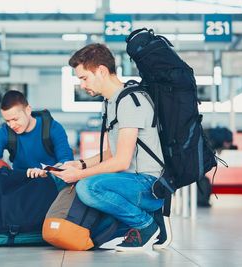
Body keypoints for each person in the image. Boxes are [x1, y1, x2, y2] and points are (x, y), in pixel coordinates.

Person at [51, 43, 166, 251]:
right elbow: (114, 152)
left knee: (88, 187)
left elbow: (121, 161)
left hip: (148, 184)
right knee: (70, 179)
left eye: (84, 78)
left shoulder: (130, 101)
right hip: (129, 181)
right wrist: (80, 164)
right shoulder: (113, 102)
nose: (82, 85)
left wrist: (79, 175)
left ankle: (146, 225)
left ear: (101, 71)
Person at [0, 90, 74, 179]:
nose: (12, 125)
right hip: (20, 182)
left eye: (15, 119)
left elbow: (66, 161)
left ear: (28, 110)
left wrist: (46, 171)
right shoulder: (5, 131)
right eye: (7, 121)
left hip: (50, 180)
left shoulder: (53, 128)